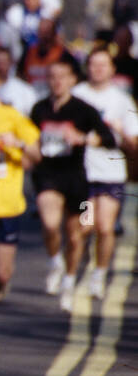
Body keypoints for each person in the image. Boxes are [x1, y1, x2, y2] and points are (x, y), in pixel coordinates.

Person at [30, 60, 116, 311]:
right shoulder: (39, 109)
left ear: (71, 80)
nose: (57, 82)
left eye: (62, 77)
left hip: (75, 177)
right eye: (52, 76)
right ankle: (55, 260)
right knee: (49, 222)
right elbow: (30, 137)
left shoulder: (83, 110)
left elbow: (109, 139)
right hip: (48, 175)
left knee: (76, 236)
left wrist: (83, 138)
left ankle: (68, 279)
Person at [72, 48, 138, 298]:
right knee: (85, 227)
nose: (98, 69)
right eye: (94, 64)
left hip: (111, 174)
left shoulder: (122, 100)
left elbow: (133, 145)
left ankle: (99, 274)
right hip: (83, 174)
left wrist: (121, 134)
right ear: (87, 68)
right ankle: (79, 265)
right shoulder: (77, 95)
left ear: (112, 69)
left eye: (103, 65)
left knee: (105, 227)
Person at [0, 93, 40, 348]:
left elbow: (35, 157)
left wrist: (16, 143)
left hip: (7, 205)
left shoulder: (11, 115)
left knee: (2, 272)